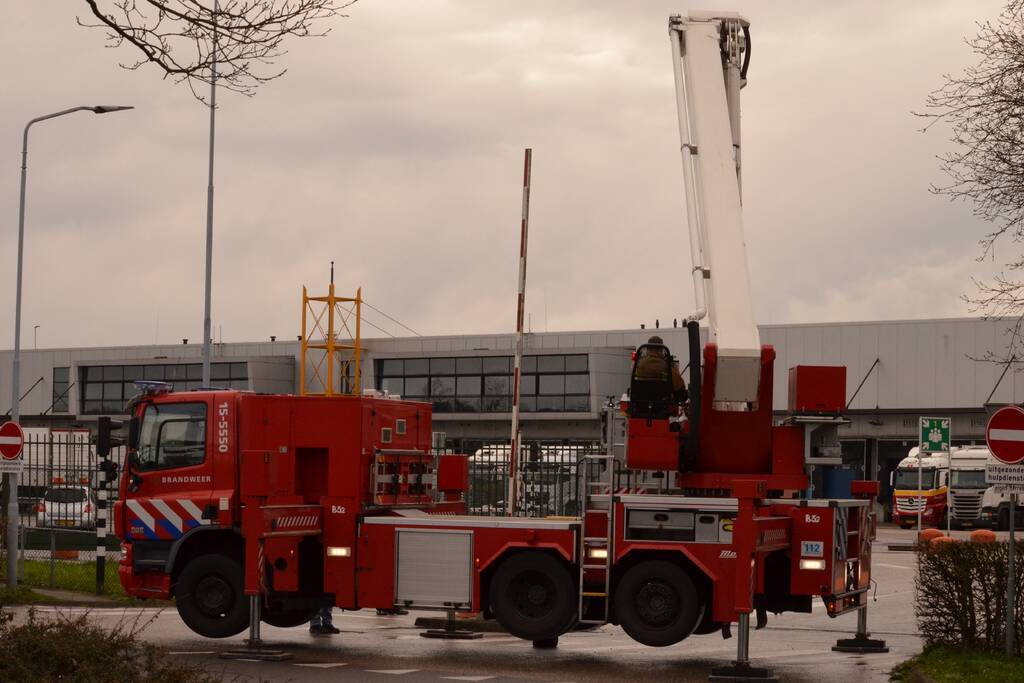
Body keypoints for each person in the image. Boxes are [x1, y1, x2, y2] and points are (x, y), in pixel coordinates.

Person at [635, 335, 687, 402]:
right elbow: (681, 392)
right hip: (663, 408)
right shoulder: (668, 368)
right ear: (661, 349)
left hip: (641, 405)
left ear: (647, 349)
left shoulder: (638, 365)